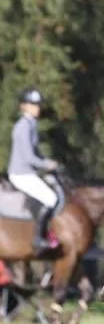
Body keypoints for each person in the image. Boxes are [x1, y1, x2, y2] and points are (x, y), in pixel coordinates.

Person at [6, 87, 63, 253]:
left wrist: (49, 162)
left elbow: (36, 153)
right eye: (33, 104)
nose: (37, 107)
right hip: (20, 174)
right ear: (24, 106)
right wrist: (47, 165)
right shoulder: (23, 126)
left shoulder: (32, 124)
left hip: (27, 172)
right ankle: (39, 239)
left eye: (38, 104)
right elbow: (29, 158)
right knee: (51, 199)